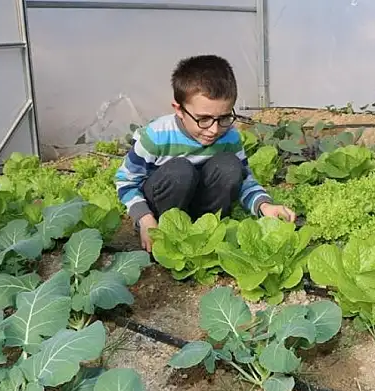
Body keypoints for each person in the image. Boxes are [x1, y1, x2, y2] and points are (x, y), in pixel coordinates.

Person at [114, 54, 296, 252]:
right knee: (180, 171)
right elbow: (126, 181)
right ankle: (166, 234)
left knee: (230, 166)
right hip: (164, 205)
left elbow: (245, 180)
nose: (214, 130)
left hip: (204, 208)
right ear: (179, 110)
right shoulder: (156, 136)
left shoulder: (230, 137)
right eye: (204, 119)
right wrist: (145, 219)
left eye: (224, 117)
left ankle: (207, 232)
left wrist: (264, 206)